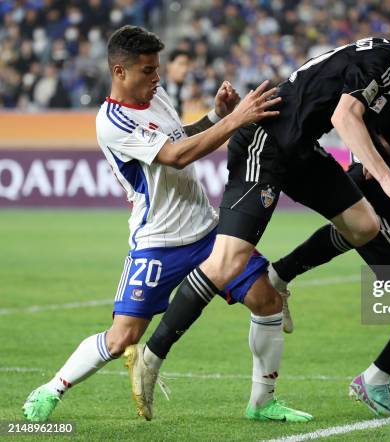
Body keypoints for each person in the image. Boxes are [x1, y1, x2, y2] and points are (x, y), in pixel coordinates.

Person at [133, 11, 390, 418]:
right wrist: (389, 180)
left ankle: (277, 276)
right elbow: (345, 118)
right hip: (265, 141)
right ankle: (152, 354)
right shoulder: (381, 61)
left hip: (300, 148)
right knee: (227, 261)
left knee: (363, 224)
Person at [22, 25, 312, 424]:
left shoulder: (155, 95)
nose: (156, 77)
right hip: (158, 240)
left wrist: (215, 116)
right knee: (124, 336)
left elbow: (179, 138)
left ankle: (262, 402)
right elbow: (174, 156)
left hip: (209, 230)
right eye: (147, 70)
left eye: (157, 68)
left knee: (268, 301)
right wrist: (236, 120)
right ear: (119, 72)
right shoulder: (112, 121)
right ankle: (51, 390)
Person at [268, 7, 390, 417]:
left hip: (384, 196)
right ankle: (373, 379)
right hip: (372, 193)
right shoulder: (384, 77)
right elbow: (350, 122)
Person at [161, 49, 193, 118]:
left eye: (187, 65)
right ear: (169, 65)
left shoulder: (188, 89)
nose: (185, 69)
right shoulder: (158, 89)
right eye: (181, 64)